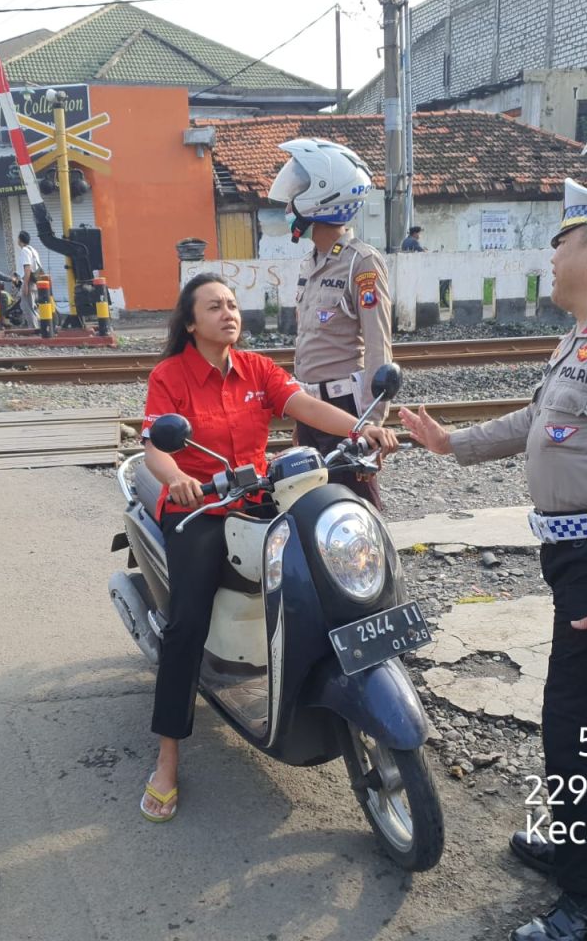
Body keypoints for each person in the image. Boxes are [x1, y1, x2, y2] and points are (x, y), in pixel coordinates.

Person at [400, 179, 587, 941]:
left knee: (575, 733)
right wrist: (452, 444)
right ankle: (581, 853)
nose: (552, 255)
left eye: (561, 240)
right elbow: (541, 417)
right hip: (583, 561)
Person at [139, 272, 399, 821]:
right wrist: (176, 480)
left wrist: (360, 429)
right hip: (201, 509)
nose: (228, 312)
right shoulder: (170, 375)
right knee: (185, 624)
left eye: (232, 304)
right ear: (191, 322)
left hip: (259, 497)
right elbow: (155, 449)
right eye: (214, 306)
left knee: (325, 570)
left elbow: (302, 405)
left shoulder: (256, 368)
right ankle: (166, 759)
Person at [268, 138, 393, 509]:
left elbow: (378, 346)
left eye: (298, 190)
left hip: (347, 411)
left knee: (355, 508)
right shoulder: (311, 263)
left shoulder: (361, 263)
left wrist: (372, 423)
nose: (289, 203)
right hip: (310, 408)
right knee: (307, 507)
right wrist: (299, 418)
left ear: (323, 195)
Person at [16, 230, 42, 328]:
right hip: (34, 282)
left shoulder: (25, 250)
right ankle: (37, 328)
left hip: (29, 282)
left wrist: (25, 285)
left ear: (20, 239)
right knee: (33, 307)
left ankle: (34, 330)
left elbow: (27, 268)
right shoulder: (33, 250)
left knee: (27, 307)